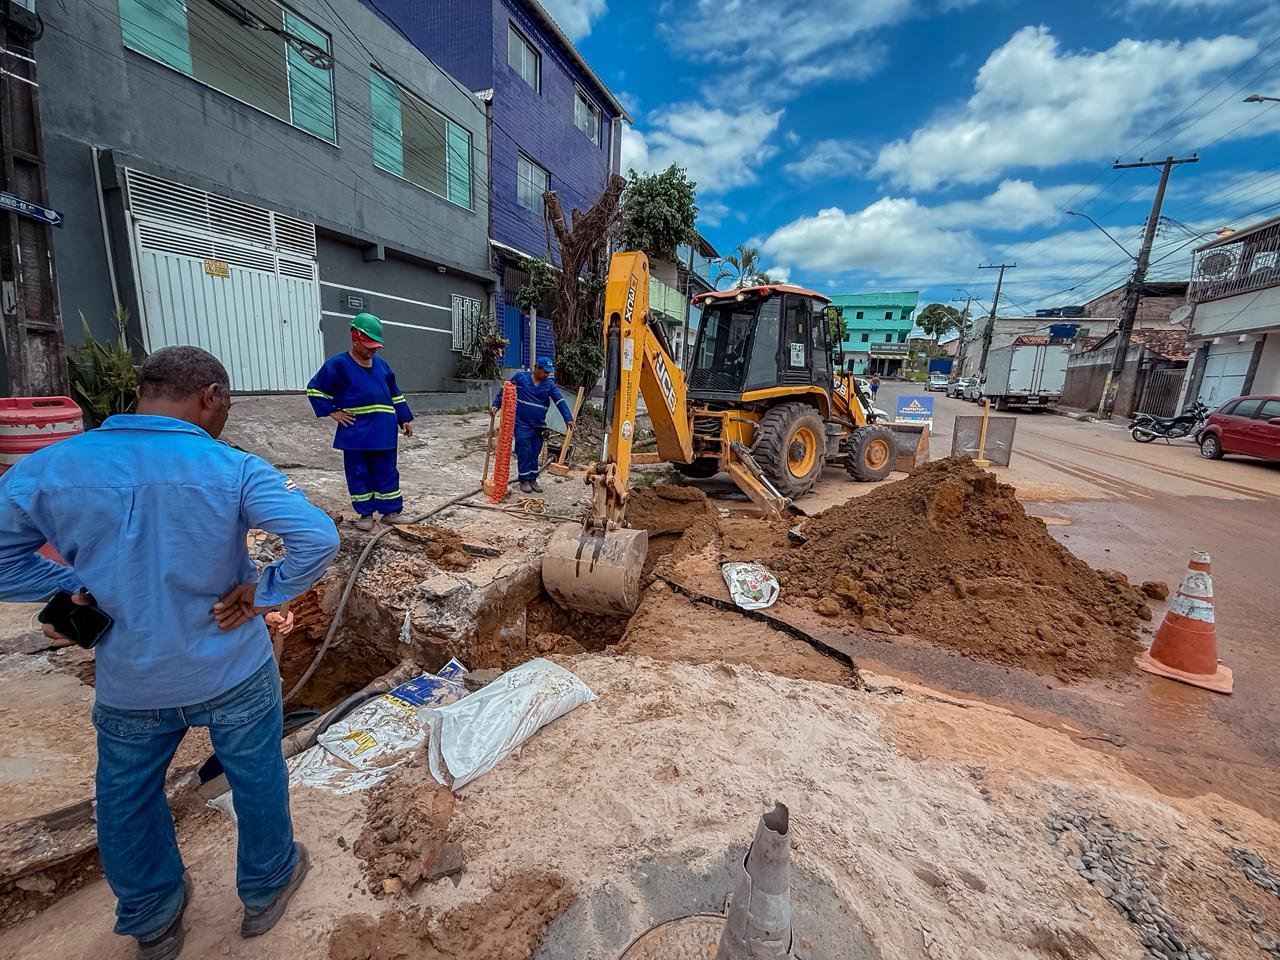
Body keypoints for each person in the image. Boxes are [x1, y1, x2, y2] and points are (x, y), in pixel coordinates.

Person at [0, 346, 340, 960]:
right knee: (257, 770)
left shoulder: (49, 467)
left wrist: (70, 590)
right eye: (228, 404)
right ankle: (266, 887)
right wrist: (264, 593)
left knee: (128, 794)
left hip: (129, 675)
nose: (225, 417)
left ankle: (152, 920)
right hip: (231, 664)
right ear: (210, 395)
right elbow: (317, 536)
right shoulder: (231, 467)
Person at [306, 313, 414, 531]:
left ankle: (390, 511)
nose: (372, 351)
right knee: (358, 472)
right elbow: (314, 388)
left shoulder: (382, 366)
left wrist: (404, 418)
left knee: (387, 471)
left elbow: (395, 394)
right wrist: (332, 411)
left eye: (376, 347)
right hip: (356, 432)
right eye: (369, 347)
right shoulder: (338, 365)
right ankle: (365, 513)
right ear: (355, 339)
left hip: (384, 431)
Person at [493, 356, 574, 494]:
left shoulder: (549, 384)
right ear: (537, 368)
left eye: (549, 372)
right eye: (545, 371)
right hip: (522, 424)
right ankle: (524, 480)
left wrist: (568, 418)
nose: (547, 374)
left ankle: (533, 479)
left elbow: (559, 401)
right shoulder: (520, 377)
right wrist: (496, 405)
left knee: (534, 452)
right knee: (524, 451)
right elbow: (505, 390)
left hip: (538, 425)